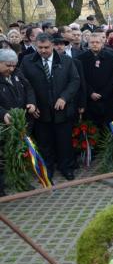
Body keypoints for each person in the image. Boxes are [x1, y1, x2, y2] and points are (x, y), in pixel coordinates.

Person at [20, 33, 80, 181]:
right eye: (40, 47)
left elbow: (74, 81)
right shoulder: (27, 62)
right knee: (45, 143)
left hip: (62, 110)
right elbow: (24, 85)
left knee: (64, 142)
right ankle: (48, 169)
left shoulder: (66, 61)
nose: (43, 50)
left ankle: (66, 168)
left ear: (52, 45)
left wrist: (64, 97)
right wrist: (32, 103)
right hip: (40, 111)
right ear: (35, 45)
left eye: (46, 47)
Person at [0, 49, 37, 195]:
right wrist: (3, 114)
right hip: (4, 125)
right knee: (3, 156)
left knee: (21, 152)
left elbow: (29, 88)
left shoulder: (17, 73)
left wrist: (31, 103)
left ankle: (20, 181)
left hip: (21, 121)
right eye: (7, 65)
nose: (11, 68)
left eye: (13, 65)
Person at [77, 33, 113, 126]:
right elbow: (80, 78)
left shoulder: (111, 58)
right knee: (92, 128)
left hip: (108, 99)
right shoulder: (80, 59)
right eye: (92, 42)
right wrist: (90, 92)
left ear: (102, 43)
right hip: (89, 100)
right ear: (88, 43)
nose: (95, 44)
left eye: (97, 42)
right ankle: (92, 141)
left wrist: (103, 93)